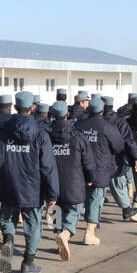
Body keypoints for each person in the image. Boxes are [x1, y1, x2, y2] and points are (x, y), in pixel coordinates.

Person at [0, 91, 59, 273]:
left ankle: (8, 239)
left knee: (8, 218)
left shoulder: (2, 131)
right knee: (33, 224)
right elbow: (48, 166)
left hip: (8, 184)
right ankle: (28, 261)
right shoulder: (40, 134)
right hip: (33, 188)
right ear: (33, 108)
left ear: (15, 107)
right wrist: (52, 194)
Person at [75, 95, 128, 244]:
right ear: (102, 110)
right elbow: (118, 146)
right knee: (95, 199)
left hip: (81, 168)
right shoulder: (107, 127)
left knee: (83, 198)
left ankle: (65, 229)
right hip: (100, 168)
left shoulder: (80, 125)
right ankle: (89, 232)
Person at [47, 101, 90, 260]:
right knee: (74, 209)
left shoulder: (46, 135)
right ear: (67, 115)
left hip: (52, 181)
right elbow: (87, 160)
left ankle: (58, 235)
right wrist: (90, 177)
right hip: (73, 181)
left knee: (55, 210)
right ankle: (65, 233)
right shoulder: (77, 136)